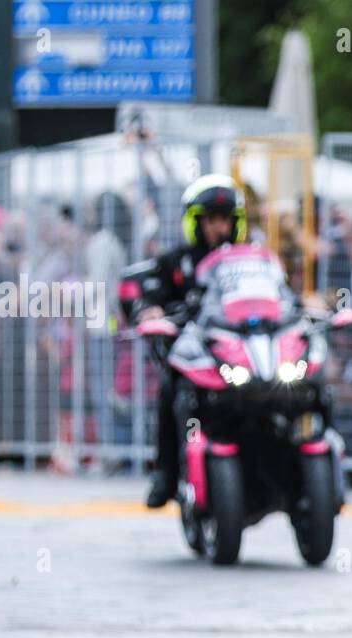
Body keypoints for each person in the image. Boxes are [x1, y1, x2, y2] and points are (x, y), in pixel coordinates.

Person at [120, 175, 249, 508]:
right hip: (199, 354)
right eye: (211, 220)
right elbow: (148, 295)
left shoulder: (251, 261)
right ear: (197, 222)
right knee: (170, 387)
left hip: (246, 352)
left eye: (224, 220)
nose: (218, 227)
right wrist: (150, 310)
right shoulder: (176, 262)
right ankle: (165, 473)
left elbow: (279, 295)